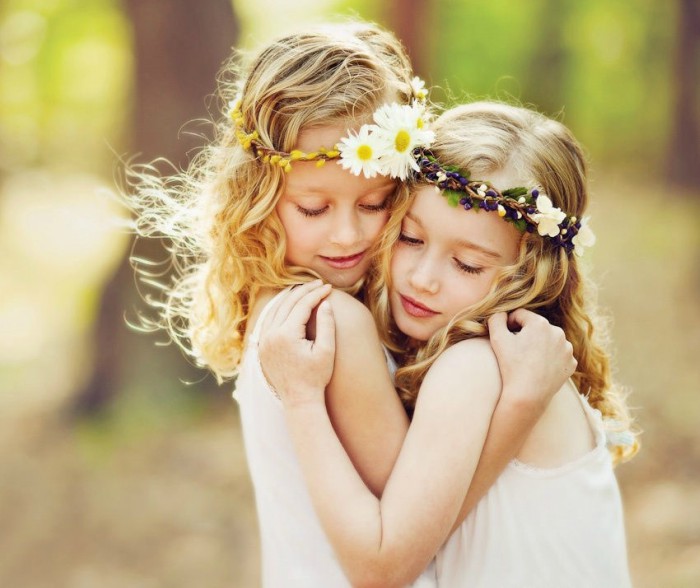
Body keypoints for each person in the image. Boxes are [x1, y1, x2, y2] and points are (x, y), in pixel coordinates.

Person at [126, 21, 576, 587]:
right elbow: (415, 538)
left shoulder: (280, 298)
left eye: (377, 203)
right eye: (314, 208)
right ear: (258, 197)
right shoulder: (330, 322)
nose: (346, 236)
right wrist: (521, 405)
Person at [259, 102, 639, 587]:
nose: (423, 279)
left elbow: (381, 569)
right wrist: (519, 405)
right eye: (411, 239)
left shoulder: (475, 366)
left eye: (467, 265)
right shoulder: (506, 369)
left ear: (532, 273)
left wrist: (302, 397)